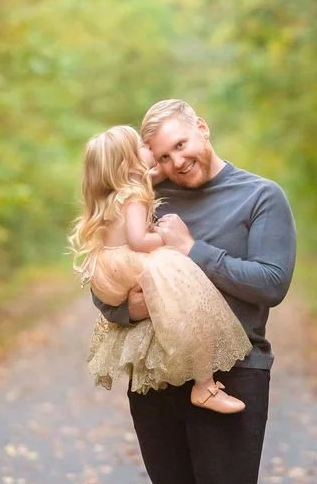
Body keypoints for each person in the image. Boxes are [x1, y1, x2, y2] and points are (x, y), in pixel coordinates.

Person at [92, 100, 297, 484]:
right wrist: (132, 311)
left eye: (181, 146)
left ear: (201, 129)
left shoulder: (260, 197)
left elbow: (271, 284)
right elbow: (106, 288)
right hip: (156, 377)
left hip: (232, 372)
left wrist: (191, 251)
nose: (175, 162)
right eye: (161, 157)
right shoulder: (146, 197)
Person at [69, 124, 253, 413]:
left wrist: (158, 172)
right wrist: (166, 238)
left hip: (108, 270)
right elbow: (139, 240)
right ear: (128, 160)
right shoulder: (135, 195)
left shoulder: (117, 191)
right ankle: (204, 385)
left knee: (164, 305)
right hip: (132, 262)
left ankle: (168, 367)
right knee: (189, 297)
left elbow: (147, 179)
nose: (150, 150)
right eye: (142, 147)